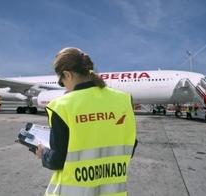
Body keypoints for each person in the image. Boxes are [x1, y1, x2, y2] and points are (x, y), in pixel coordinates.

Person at [34, 47, 137, 196]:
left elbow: (57, 161)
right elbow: (130, 147)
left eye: (62, 82)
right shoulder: (124, 100)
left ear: (67, 75)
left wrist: (43, 153)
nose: (64, 87)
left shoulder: (61, 106)